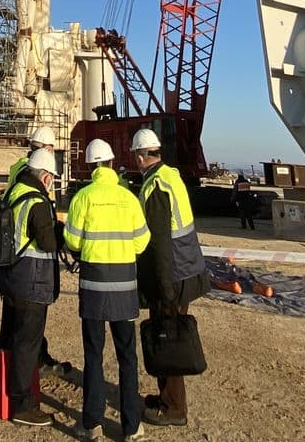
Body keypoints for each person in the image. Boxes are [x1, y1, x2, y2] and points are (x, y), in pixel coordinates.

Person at [63, 138, 150, 442]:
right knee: (128, 357)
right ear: (113, 163)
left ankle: (91, 423)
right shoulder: (128, 198)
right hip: (125, 288)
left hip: (94, 288)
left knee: (94, 355)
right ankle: (132, 427)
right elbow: (142, 241)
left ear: (90, 166)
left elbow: (72, 241)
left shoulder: (83, 198)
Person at [130, 129, 207, 428]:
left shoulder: (156, 187)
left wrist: (163, 288)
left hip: (172, 276)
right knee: (169, 335)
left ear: (139, 156)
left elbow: (160, 243)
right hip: (186, 269)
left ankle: (174, 408)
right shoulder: (171, 176)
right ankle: (166, 398)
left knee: (169, 338)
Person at [0, 148, 63, 426]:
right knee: (27, 341)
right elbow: (48, 243)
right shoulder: (36, 201)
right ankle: (23, 405)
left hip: (12, 276)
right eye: (51, 179)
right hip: (31, 281)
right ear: (45, 176)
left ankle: (4, 388)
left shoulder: (15, 191)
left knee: (11, 335)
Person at [5, 125, 70, 376]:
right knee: (26, 324)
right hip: (29, 262)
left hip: (14, 256)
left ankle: (26, 360)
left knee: (17, 321)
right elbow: (44, 236)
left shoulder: (20, 168)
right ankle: (23, 378)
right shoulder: (32, 176)